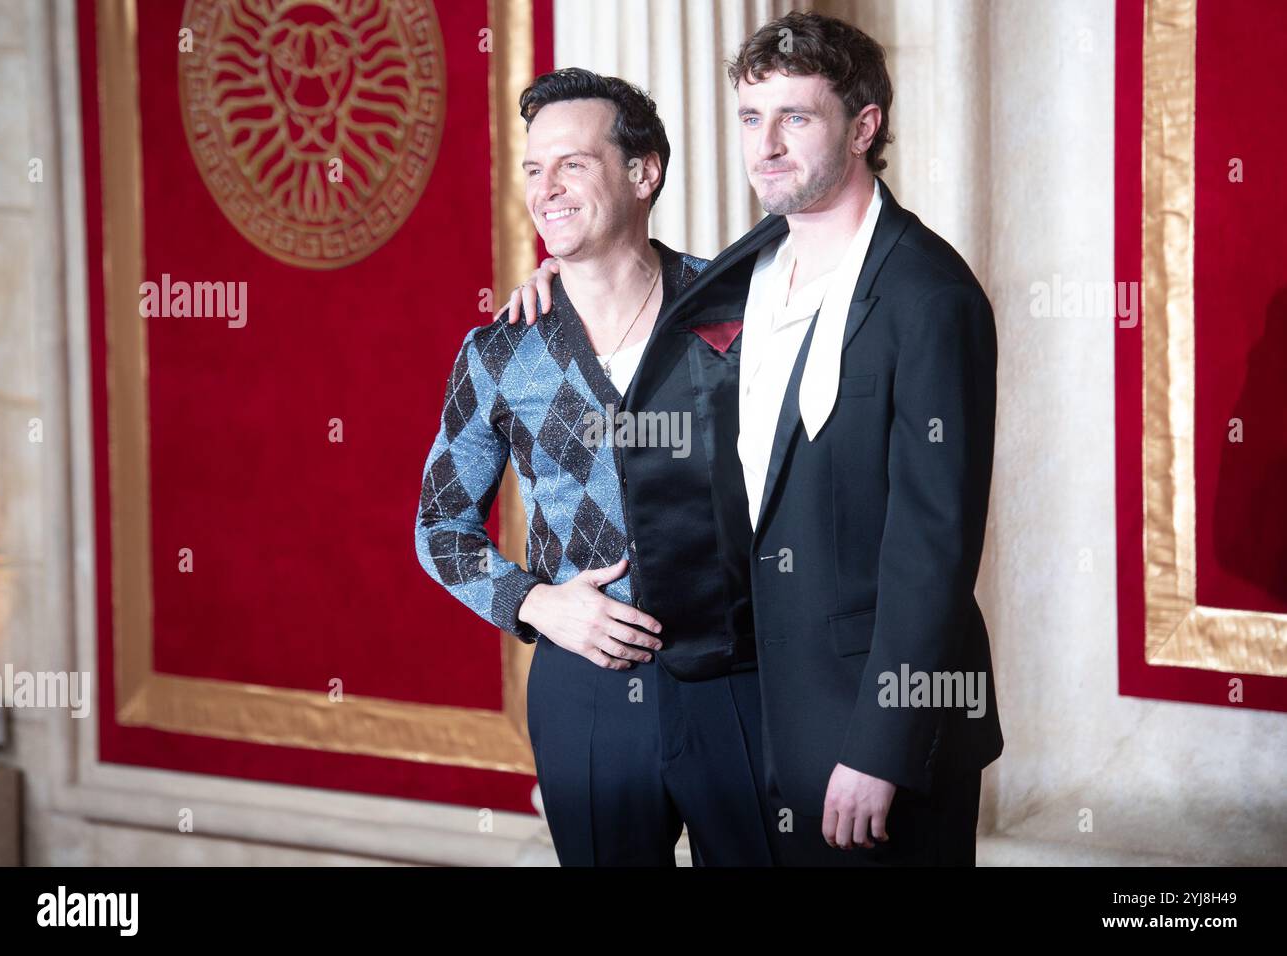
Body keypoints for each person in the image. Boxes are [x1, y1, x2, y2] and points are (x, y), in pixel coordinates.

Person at [506, 12, 1003, 866]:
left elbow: (936, 545)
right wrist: (565, 268)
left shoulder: (930, 296)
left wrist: (880, 746)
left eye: (796, 118)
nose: (766, 145)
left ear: (864, 127)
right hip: (755, 722)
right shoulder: (742, 275)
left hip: (870, 738)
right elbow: (633, 294)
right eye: (749, 118)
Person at [415, 68, 775, 866]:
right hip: (586, 685)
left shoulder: (743, 309)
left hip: (739, 676)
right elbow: (437, 527)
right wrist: (535, 603)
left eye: (573, 164)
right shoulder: (500, 350)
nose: (547, 190)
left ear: (643, 173)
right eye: (534, 169)